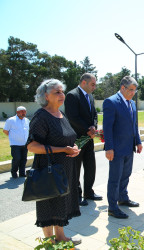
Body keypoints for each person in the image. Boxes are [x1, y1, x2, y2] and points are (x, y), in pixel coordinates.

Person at [27, 79, 81, 245]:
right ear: (45, 96)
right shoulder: (41, 117)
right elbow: (32, 146)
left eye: (62, 91)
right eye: (56, 92)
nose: (61, 95)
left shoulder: (61, 114)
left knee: (61, 203)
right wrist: (63, 150)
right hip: (48, 170)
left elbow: (68, 137)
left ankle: (61, 237)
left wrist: (74, 146)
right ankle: (50, 243)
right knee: (48, 205)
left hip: (64, 168)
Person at [103, 76, 142, 219]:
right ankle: (112, 207)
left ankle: (123, 198)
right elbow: (107, 128)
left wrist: (138, 141)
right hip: (116, 149)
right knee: (115, 178)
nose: (133, 93)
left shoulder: (131, 103)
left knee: (126, 175)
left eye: (134, 90)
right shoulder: (111, 102)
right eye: (131, 90)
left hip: (129, 147)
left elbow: (134, 124)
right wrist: (109, 148)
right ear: (122, 88)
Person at [65, 73, 102, 207]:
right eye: (93, 84)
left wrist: (94, 126)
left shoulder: (90, 96)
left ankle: (88, 192)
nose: (95, 87)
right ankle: (76, 194)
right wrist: (88, 129)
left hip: (89, 138)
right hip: (77, 138)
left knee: (90, 166)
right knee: (76, 168)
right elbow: (73, 117)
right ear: (84, 83)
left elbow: (95, 115)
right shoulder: (72, 95)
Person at [3, 106, 30, 178]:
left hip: (25, 144)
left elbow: (28, 130)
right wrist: (12, 137)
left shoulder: (26, 120)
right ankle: (14, 172)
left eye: (25, 111)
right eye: (22, 111)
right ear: (17, 112)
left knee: (24, 159)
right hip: (15, 144)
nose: (24, 113)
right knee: (17, 158)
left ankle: (22, 173)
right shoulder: (11, 120)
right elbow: (5, 130)